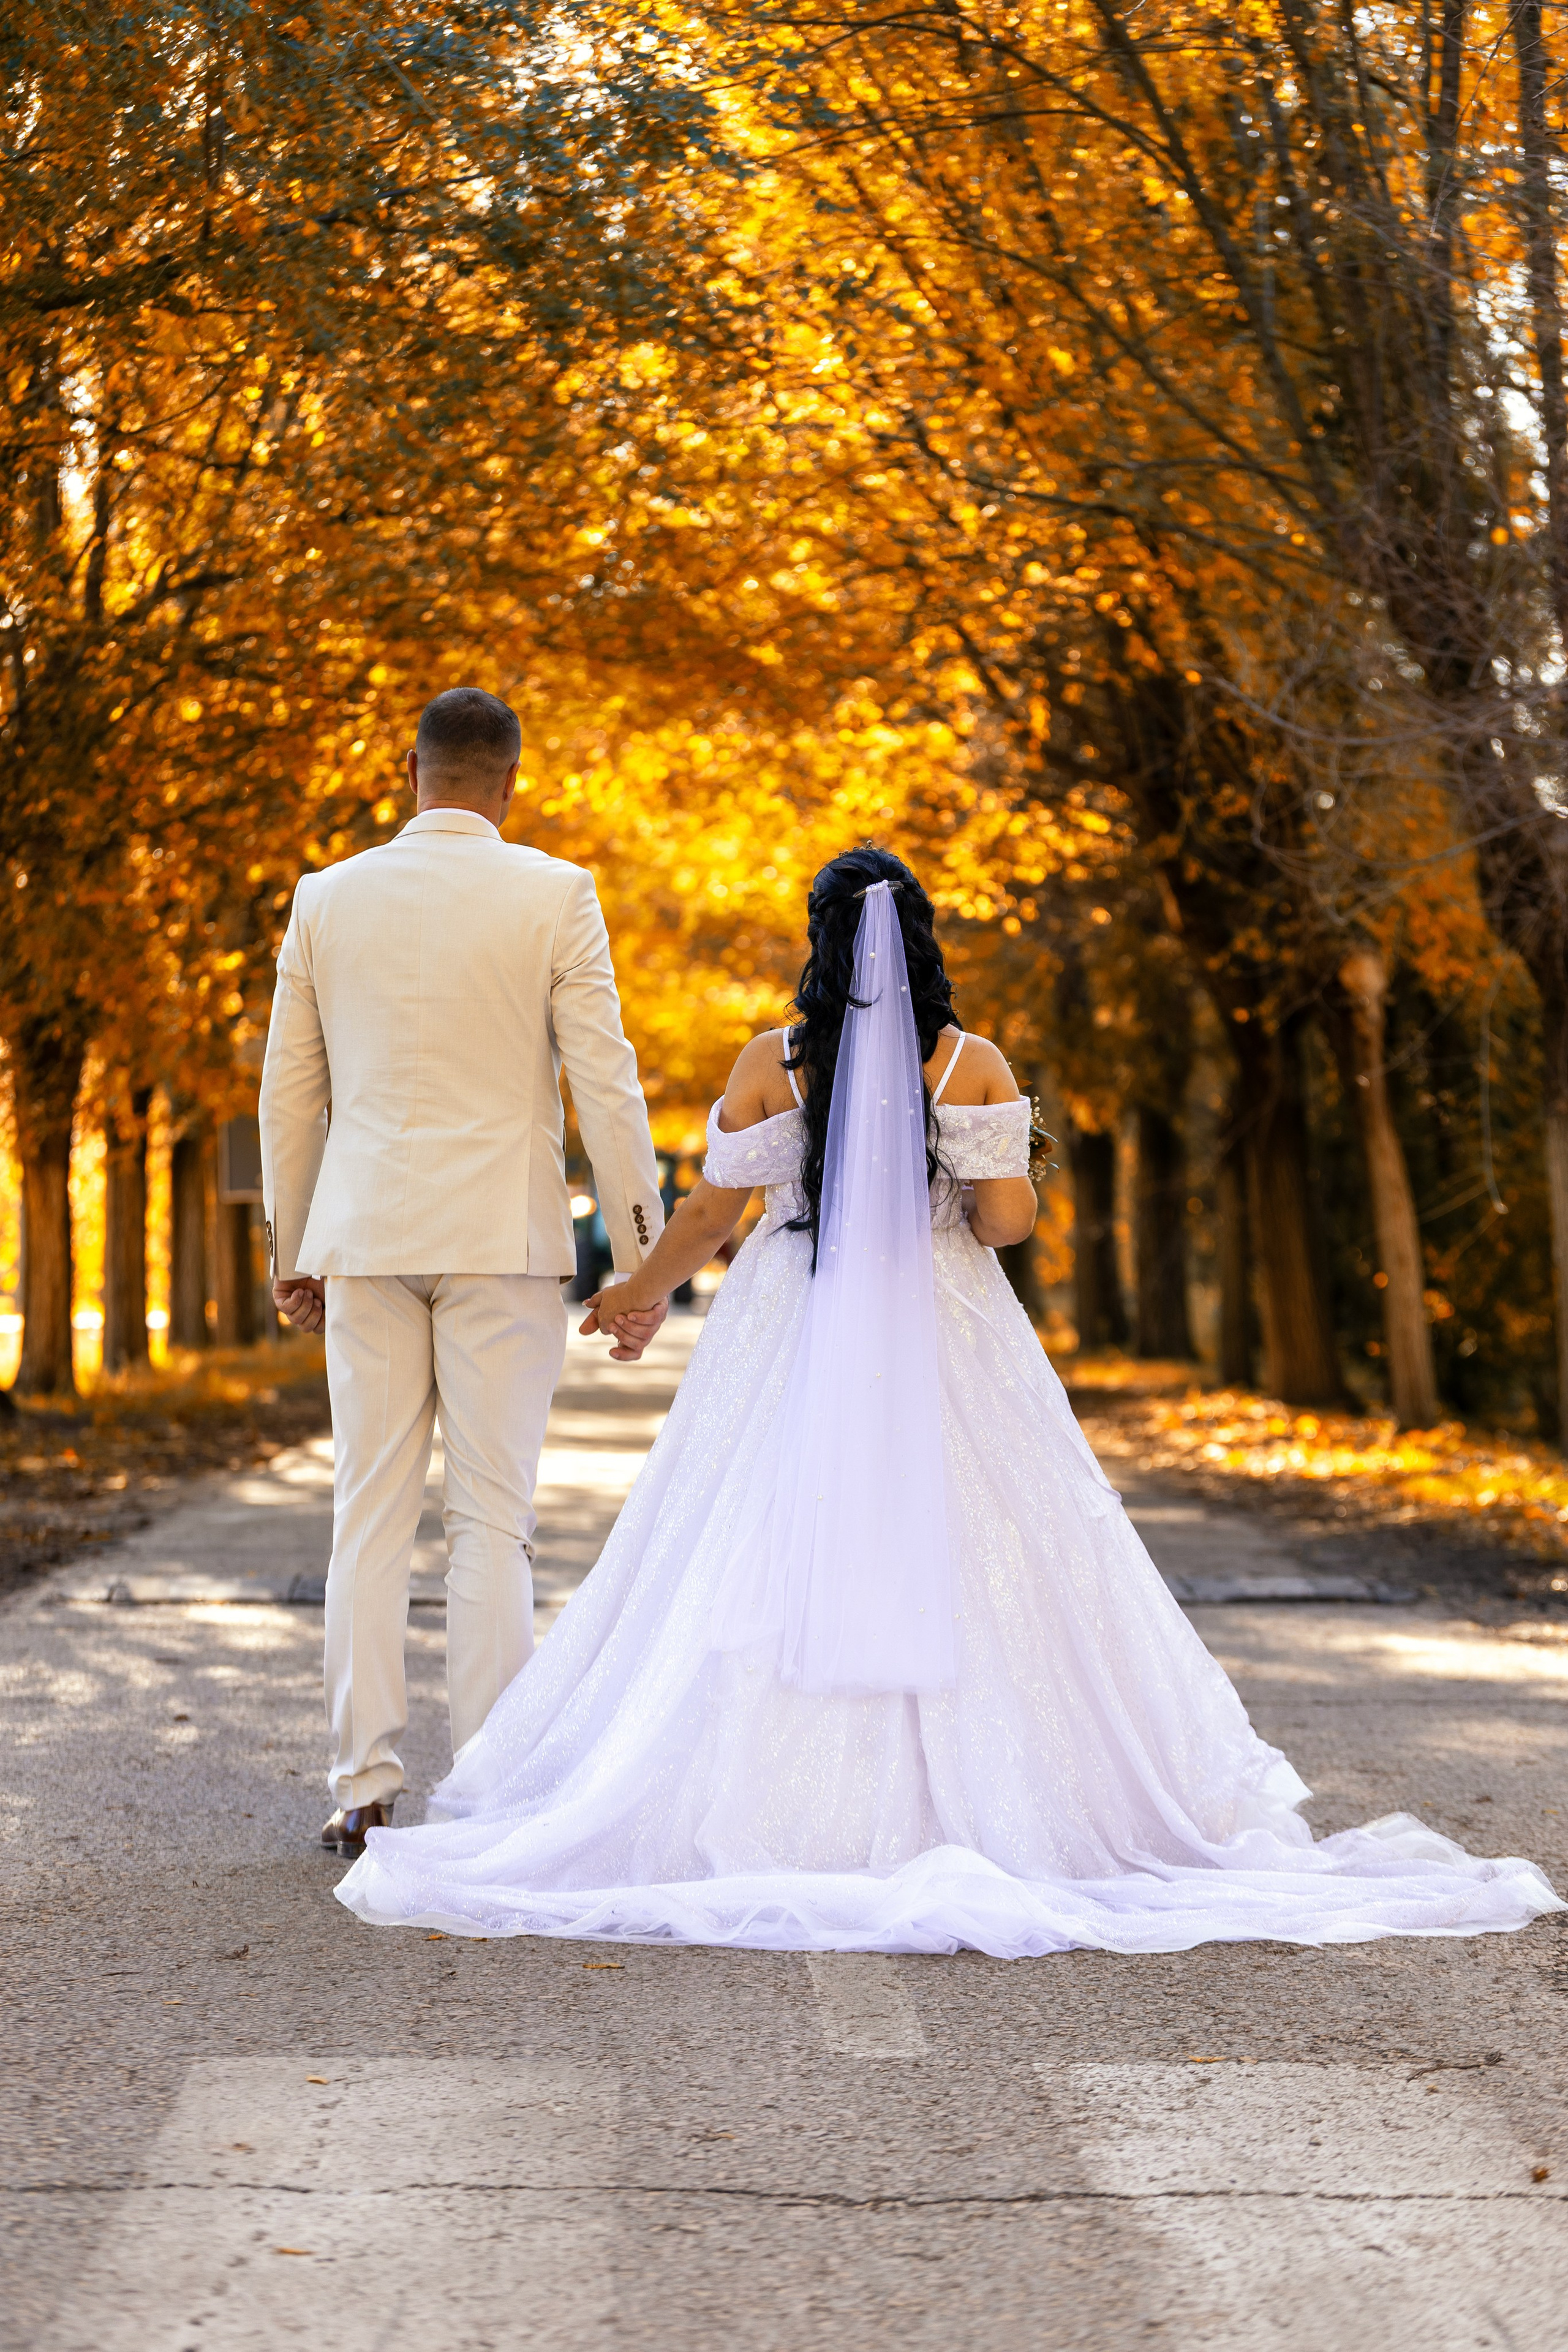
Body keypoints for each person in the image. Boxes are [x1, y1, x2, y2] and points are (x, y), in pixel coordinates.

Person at [334, 846, 1562, 1954]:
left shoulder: (771, 1062)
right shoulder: (970, 1062)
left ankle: (770, 1792)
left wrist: (633, 1292)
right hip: (941, 1325)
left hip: (793, 1319)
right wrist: (1006, 1152)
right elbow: (1004, 1225)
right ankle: (991, 1797)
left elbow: (716, 1213)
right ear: (923, 941)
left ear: (819, 944)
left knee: (754, 1532)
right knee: (984, 1535)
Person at [258, 686, 666, 1861]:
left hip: (369, 1237)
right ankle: (488, 1790)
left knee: (369, 1514)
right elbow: (607, 1083)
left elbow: (291, 1090)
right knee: (493, 1519)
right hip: (504, 1238)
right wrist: (638, 1265)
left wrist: (294, 1247)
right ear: (510, 783)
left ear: (413, 772)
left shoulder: (326, 900)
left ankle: (363, 1787)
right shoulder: (555, 894)